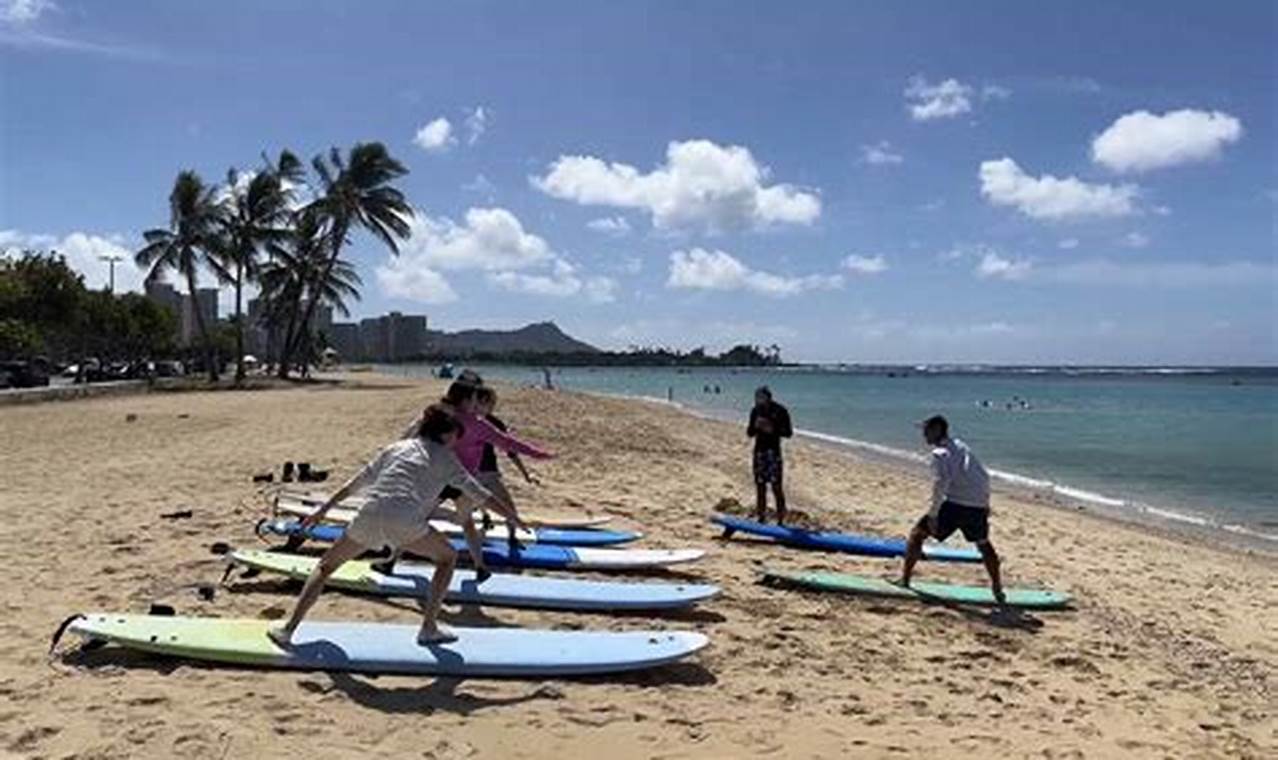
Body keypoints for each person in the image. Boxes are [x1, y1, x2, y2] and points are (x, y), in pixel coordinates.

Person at [267, 405, 503, 648]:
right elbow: (480, 493)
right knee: (447, 558)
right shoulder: (446, 458)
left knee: (325, 567)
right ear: (445, 434)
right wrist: (512, 518)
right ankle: (428, 628)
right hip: (405, 522)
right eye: (455, 437)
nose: (455, 442)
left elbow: (354, 484)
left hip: (369, 515)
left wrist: (322, 511)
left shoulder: (395, 448)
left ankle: (288, 629)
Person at [900, 415, 1005, 604]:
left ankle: (905, 581)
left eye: (927, 430)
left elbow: (941, 483)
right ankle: (997, 587)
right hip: (977, 505)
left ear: (937, 430)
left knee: (917, 534)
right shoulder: (961, 446)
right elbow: (982, 476)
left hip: (956, 504)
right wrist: (985, 504)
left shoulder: (940, 453)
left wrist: (933, 514)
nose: (924, 435)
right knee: (983, 544)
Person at [474, 385, 541, 547]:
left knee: (505, 506)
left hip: (484, 473)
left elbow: (510, 451)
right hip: (473, 474)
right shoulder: (466, 421)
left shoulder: (494, 423)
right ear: (481, 401)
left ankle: (510, 536)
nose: (493, 407)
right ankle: (491, 522)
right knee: (486, 504)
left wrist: (525, 474)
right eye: (491, 403)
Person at [746, 386, 792, 524]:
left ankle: (781, 519)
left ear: (768, 397)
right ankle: (761, 517)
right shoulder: (755, 411)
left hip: (773, 451)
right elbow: (749, 433)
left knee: (776, 486)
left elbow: (788, 433)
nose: (758, 400)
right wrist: (756, 426)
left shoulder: (780, 410)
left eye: (760, 397)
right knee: (760, 485)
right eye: (756, 397)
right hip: (759, 451)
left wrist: (772, 428)